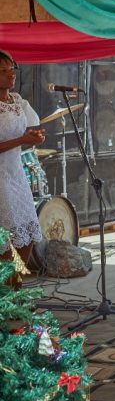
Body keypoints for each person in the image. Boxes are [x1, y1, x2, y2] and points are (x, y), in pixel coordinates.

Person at [0, 50, 43, 269]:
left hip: (17, 175)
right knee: (6, 244)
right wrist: (22, 139)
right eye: (3, 71)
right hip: (1, 180)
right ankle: (7, 287)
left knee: (28, 235)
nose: (11, 74)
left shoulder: (17, 101)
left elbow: (21, 137)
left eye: (11, 69)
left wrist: (32, 139)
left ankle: (15, 286)